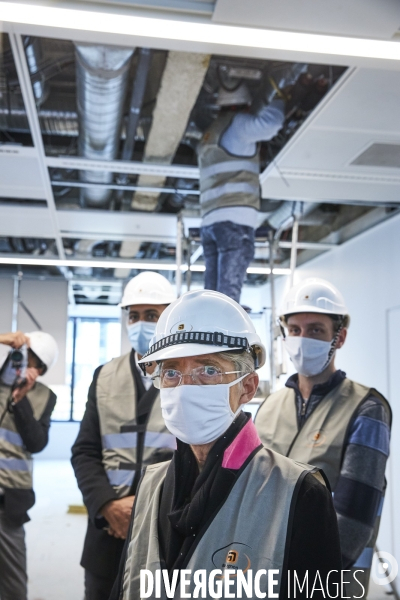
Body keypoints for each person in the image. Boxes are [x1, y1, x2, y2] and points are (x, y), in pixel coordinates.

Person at [111, 289, 342, 600]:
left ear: (247, 388)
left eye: (208, 370)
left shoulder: (300, 493)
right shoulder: (152, 484)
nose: (185, 386)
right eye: (171, 372)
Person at [255, 278, 391, 598]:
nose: (303, 339)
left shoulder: (367, 408)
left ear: (339, 338)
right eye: (295, 330)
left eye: (316, 330)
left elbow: (354, 517)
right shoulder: (268, 407)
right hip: (268, 576)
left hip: (332, 582)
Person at [71, 272, 177, 600]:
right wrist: (106, 504)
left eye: (151, 315)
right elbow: (85, 451)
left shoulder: (185, 376)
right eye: (134, 315)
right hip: (108, 533)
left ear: (169, 319)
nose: (140, 324)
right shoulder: (103, 376)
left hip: (165, 530)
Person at [0, 330, 58, 600]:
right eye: (24, 356)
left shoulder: (45, 397)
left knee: (12, 585)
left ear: (41, 370)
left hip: (9, 500)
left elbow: (37, 443)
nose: (26, 364)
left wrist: (20, 401)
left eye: (34, 362)